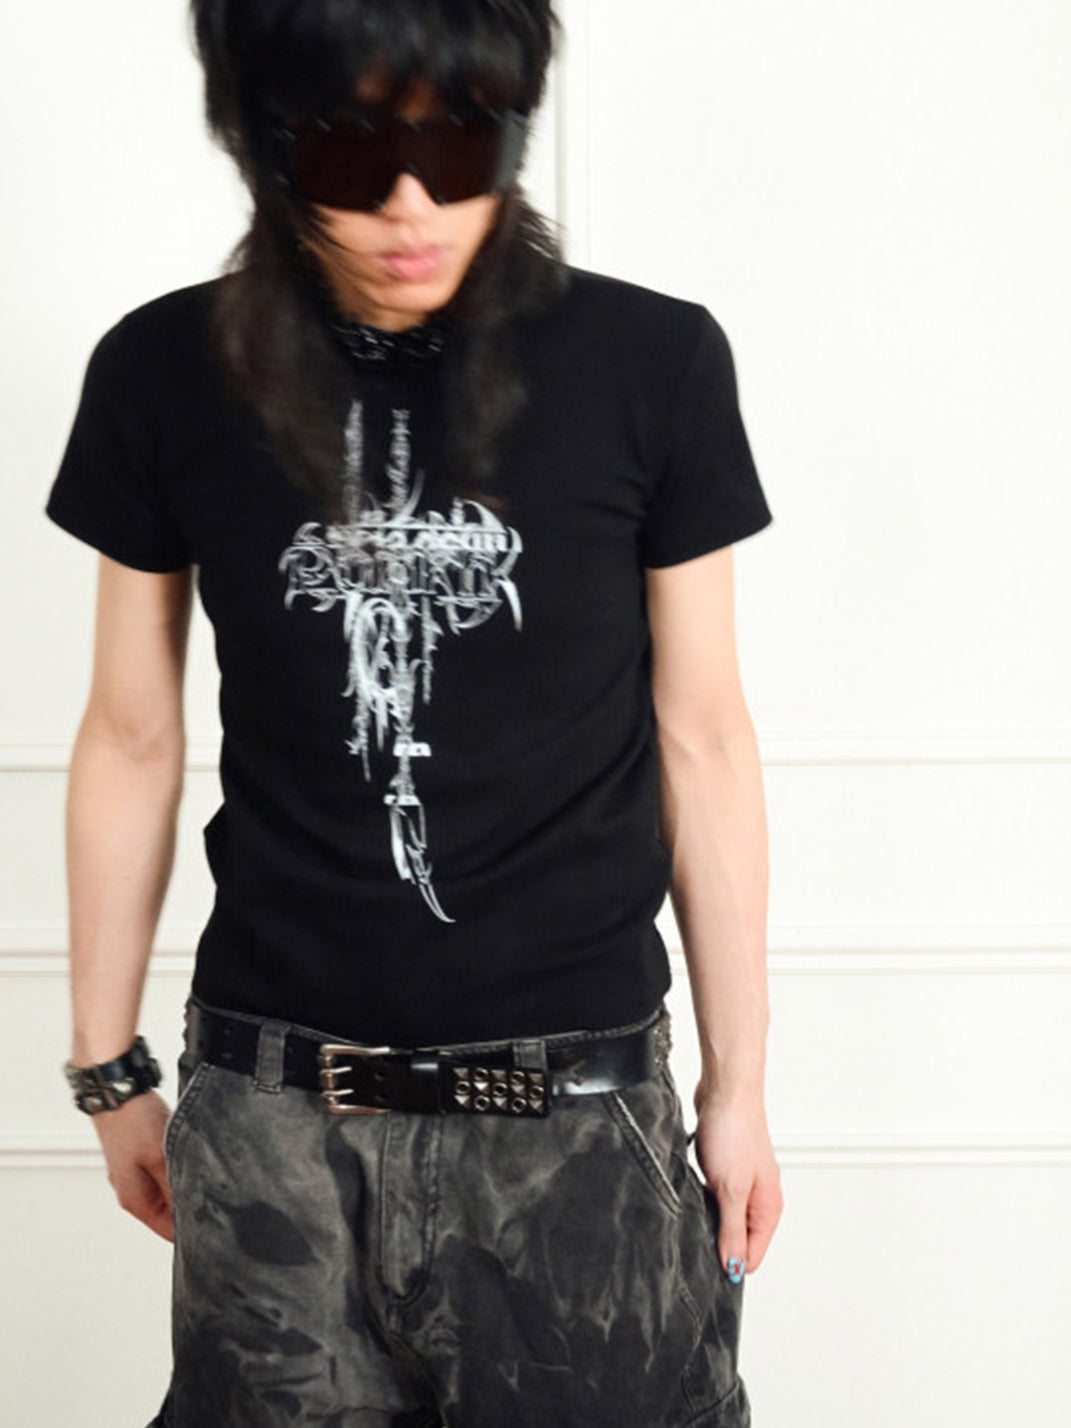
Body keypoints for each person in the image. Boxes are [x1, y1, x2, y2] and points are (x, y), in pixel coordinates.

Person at [46, 2, 783, 1424]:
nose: (409, 205)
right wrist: (107, 1065)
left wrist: (737, 1090)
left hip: (575, 1118)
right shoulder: (161, 370)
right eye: (348, 149)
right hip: (272, 1112)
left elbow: (705, 736)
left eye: (460, 147)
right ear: (263, 142)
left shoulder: (653, 362)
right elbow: (130, 735)